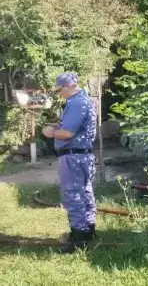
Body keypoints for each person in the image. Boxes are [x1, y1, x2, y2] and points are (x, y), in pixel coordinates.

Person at [42, 72, 98, 253]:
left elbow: (67, 134)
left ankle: (78, 239)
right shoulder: (86, 101)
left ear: (68, 86)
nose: (59, 93)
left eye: (60, 90)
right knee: (85, 193)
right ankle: (89, 230)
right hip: (84, 156)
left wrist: (51, 132)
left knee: (73, 196)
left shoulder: (76, 103)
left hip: (73, 157)